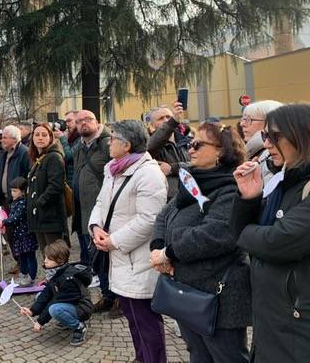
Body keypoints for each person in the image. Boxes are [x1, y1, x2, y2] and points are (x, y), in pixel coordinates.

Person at [151, 123, 251, 362]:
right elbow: (165, 216)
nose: (190, 149)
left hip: (220, 296)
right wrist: (157, 246)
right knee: (198, 355)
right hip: (187, 291)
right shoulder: (192, 182)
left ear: (221, 151)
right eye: (191, 143)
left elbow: (215, 235)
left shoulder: (232, 187)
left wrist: (169, 252)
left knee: (227, 356)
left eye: (197, 144)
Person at [231, 103, 310, 362]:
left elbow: (278, 241)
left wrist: (245, 230)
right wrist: (248, 198)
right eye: (265, 136)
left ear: (302, 135)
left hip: (296, 330)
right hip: (273, 322)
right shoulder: (284, 182)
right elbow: (246, 235)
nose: (266, 144)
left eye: (274, 136)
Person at [89, 120, 168, 363]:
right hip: (119, 256)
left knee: (145, 319)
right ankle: (141, 357)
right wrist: (95, 227)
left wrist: (114, 240)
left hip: (138, 258)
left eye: (113, 138)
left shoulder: (148, 173)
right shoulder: (113, 168)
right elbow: (102, 203)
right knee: (132, 316)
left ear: (127, 144)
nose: (109, 142)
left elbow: (150, 219)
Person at [20, 240, 93, 346]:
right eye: (45, 257)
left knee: (55, 309)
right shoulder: (56, 273)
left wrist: (40, 321)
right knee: (40, 296)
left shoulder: (67, 278)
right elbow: (46, 294)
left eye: (48, 259)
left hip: (82, 308)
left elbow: (55, 300)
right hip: (70, 305)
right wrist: (32, 311)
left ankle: (79, 327)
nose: (45, 261)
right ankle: (66, 320)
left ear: (60, 260)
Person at [72, 110, 111, 265]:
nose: (83, 123)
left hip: (101, 206)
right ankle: (91, 269)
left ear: (96, 121)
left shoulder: (107, 143)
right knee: (86, 241)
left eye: (88, 119)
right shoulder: (79, 146)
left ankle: (101, 276)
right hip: (81, 204)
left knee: (99, 247)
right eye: (79, 121)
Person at [0, 125, 31, 273]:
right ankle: (19, 261)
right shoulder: (4, 154)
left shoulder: (23, 153)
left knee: (17, 234)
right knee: (8, 234)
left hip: (17, 201)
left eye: (5, 137)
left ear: (14, 139)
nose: (2, 140)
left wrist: (21, 195)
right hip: (5, 200)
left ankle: (23, 263)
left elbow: (26, 176)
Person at [26, 124, 66, 254]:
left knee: (55, 255)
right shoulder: (38, 158)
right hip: (39, 217)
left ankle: (56, 275)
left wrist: (40, 202)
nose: (40, 138)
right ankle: (50, 275)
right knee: (46, 255)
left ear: (50, 138)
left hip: (50, 216)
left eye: (44, 135)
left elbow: (56, 186)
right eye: (37, 135)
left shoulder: (54, 157)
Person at [0, 177, 38, 285]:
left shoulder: (23, 203)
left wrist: (5, 221)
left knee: (30, 256)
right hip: (18, 235)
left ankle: (31, 277)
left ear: (23, 191)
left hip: (26, 235)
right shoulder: (14, 202)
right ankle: (23, 274)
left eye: (15, 191)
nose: (12, 193)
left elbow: (16, 217)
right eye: (11, 190)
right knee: (22, 257)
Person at [147, 101, 191, 200]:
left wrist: (173, 168)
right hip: (170, 198)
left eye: (168, 117)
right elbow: (150, 147)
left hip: (192, 194)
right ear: (153, 126)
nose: (166, 120)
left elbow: (198, 165)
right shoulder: (152, 144)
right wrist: (172, 122)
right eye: (161, 118)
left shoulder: (186, 141)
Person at [240, 100, 283, 187]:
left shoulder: (268, 155)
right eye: (243, 119)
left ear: (269, 122)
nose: (242, 124)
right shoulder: (258, 152)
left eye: (248, 120)